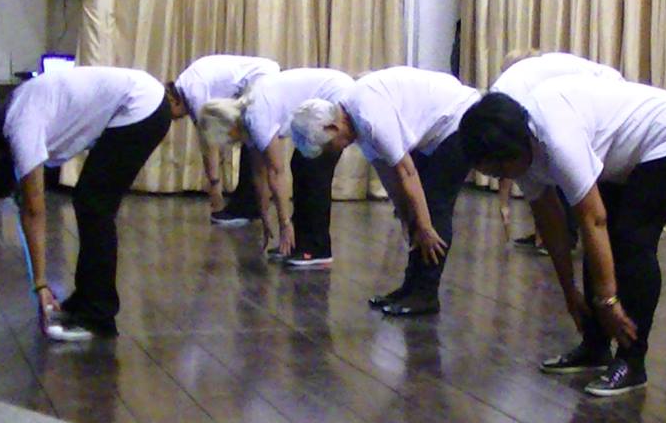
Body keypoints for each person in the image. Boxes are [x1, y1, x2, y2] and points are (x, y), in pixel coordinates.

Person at [459, 76, 666, 395]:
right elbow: (553, 226)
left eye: (499, 171)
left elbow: (593, 219)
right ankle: (595, 347)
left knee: (632, 242)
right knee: (599, 247)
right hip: (618, 152)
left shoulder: (557, 140)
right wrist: (570, 292)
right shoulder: (521, 155)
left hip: (664, 135)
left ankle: (632, 362)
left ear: (511, 152)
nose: (501, 179)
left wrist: (608, 301)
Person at [0, 66, 186, 341]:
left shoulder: (21, 127)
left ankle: (98, 316)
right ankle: (87, 301)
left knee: (95, 205)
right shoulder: (19, 103)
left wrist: (41, 284)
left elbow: (34, 209)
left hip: (142, 108)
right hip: (143, 101)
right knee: (89, 202)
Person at [291, 66, 478, 315]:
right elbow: (389, 174)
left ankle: (425, 294)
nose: (332, 152)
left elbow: (407, 172)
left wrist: (424, 226)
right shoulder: (357, 123)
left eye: (328, 147)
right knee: (418, 209)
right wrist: (406, 218)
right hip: (437, 130)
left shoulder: (369, 117)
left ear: (331, 128)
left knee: (433, 205)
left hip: (461, 119)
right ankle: (411, 289)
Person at [197, 68, 354, 268]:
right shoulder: (248, 115)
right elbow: (259, 173)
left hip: (335, 100)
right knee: (301, 165)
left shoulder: (256, 116)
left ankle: (316, 249)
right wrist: (265, 218)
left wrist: (284, 224)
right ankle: (298, 244)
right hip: (326, 98)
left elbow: (276, 172)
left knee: (311, 169)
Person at [490, 50, 624, 251]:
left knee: (570, 177)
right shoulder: (512, 93)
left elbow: (510, 161)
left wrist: (504, 205)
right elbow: (514, 168)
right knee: (550, 172)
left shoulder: (509, 98)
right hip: (589, 99)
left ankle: (573, 237)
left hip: (608, 98)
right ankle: (558, 237)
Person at [165, 54, 281, 226]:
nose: (175, 120)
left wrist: (215, 186)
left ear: (173, 101)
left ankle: (248, 209)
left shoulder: (194, 93)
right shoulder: (188, 84)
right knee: (249, 140)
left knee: (253, 141)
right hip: (261, 75)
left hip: (263, 78)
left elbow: (209, 143)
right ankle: (250, 206)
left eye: (172, 116)